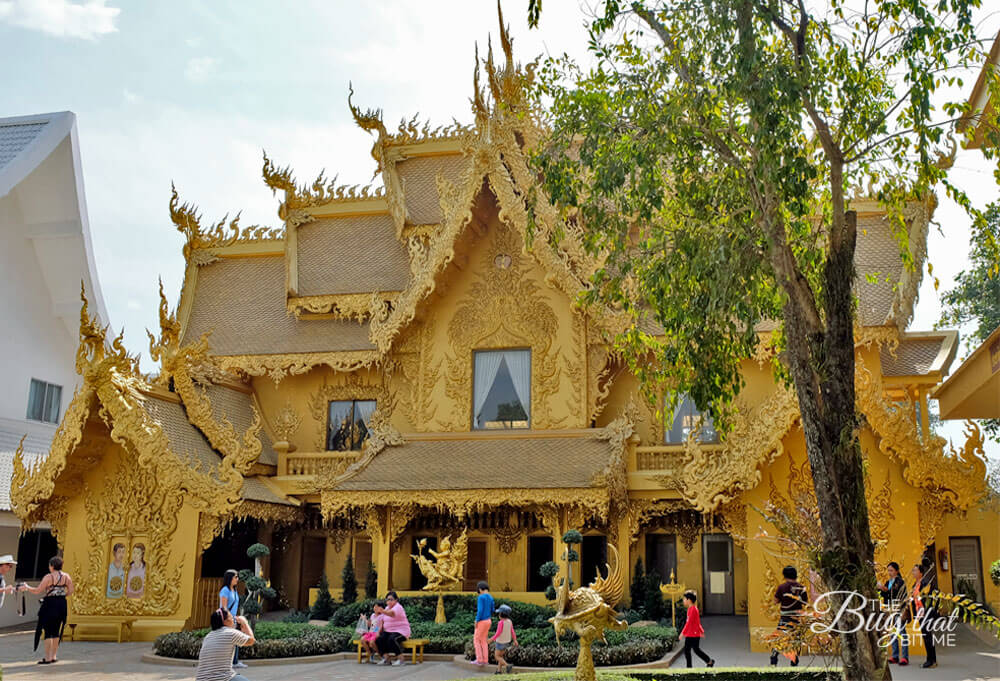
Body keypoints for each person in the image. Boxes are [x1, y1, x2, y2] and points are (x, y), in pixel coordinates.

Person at [19, 556, 73, 664]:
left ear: (52, 566)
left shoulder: (48, 577)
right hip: (61, 604)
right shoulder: (66, 576)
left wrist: (27, 587)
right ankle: (54, 656)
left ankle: (47, 657)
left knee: (48, 631)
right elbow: (71, 590)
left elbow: (38, 590)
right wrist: (61, 596)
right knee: (56, 630)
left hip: (50, 604)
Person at [195, 606, 256, 681]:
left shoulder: (208, 636)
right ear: (225, 621)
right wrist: (245, 623)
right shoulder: (230, 633)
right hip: (223, 678)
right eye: (231, 617)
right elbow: (251, 641)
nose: (234, 620)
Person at [770, 565, 808, 666]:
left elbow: (775, 601)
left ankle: (774, 657)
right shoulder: (801, 588)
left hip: (785, 618)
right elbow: (805, 602)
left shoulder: (782, 587)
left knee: (779, 638)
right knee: (795, 639)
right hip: (797, 618)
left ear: (784, 575)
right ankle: (794, 660)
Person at [878, 561, 908, 665]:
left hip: (898, 610)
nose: (889, 572)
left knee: (902, 633)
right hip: (889, 609)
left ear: (897, 571)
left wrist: (885, 589)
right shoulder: (888, 581)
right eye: (888, 570)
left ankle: (905, 657)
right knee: (893, 633)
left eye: (891, 570)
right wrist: (882, 589)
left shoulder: (900, 582)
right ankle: (895, 656)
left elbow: (896, 593)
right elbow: (885, 595)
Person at [908, 562, 937, 669]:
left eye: (915, 570)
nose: (913, 572)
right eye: (913, 570)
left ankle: (931, 660)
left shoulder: (925, 583)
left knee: (927, 636)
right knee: (926, 636)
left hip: (926, 613)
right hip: (920, 614)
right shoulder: (915, 584)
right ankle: (931, 659)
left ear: (921, 572)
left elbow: (929, 597)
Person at [679, 590, 714, 668]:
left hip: (692, 634)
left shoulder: (693, 610)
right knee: (695, 650)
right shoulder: (691, 609)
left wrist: (682, 633)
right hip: (692, 633)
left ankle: (689, 668)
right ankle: (709, 661)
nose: (683, 601)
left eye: (684, 599)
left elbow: (689, 623)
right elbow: (697, 622)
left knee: (689, 651)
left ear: (689, 600)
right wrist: (701, 631)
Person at [219, 569, 246, 669]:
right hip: (226, 620)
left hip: (233, 619)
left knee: (236, 640)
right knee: (228, 641)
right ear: (230, 578)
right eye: (235, 577)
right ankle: (227, 662)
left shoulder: (234, 590)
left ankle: (234, 661)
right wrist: (229, 619)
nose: (237, 579)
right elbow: (224, 607)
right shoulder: (225, 590)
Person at [375, 591, 410, 665]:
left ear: (396, 600)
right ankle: (386, 659)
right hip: (385, 632)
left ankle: (401, 660)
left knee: (392, 639)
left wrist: (382, 611)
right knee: (378, 639)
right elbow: (379, 623)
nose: (389, 601)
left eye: (391, 599)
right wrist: (376, 631)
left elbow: (392, 613)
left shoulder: (398, 607)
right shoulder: (383, 610)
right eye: (387, 600)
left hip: (401, 631)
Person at [489, 603, 518, 675]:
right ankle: (499, 671)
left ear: (501, 614)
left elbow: (498, 633)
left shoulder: (501, 623)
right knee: (501, 656)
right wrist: (515, 640)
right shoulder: (509, 621)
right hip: (507, 642)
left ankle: (507, 666)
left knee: (497, 656)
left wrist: (491, 639)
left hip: (500, 642)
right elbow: (512, 631)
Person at [474, 580, 495, 665]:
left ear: (480, 589)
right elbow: (492, 610)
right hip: (488, 621)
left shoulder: (481, 597)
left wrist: (476, 620)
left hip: (482, 621)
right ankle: (485, 660)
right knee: (483, 640)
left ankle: (479, 659)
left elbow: (480, 610)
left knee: (476, 640)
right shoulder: (491, 597)